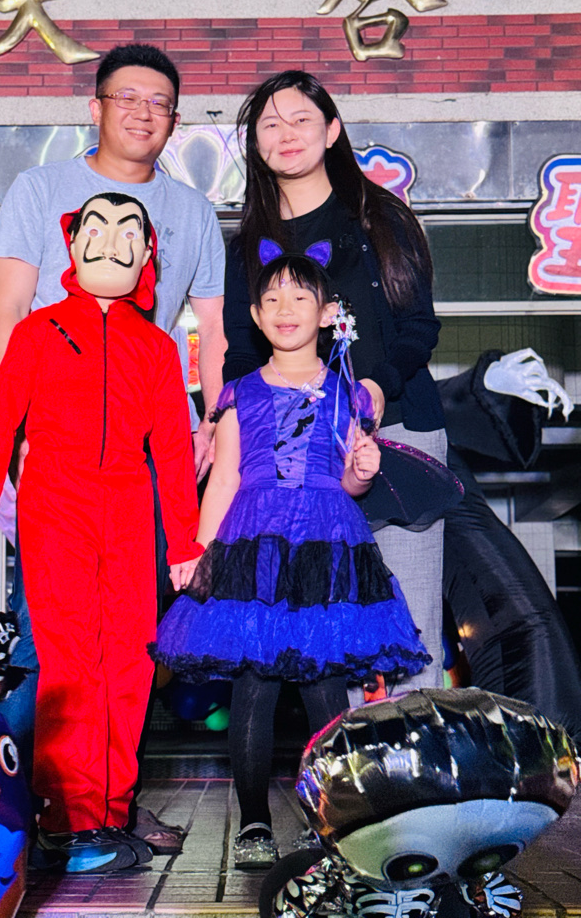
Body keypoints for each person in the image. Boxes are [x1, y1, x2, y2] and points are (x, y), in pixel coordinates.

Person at [0, 43, 226, 851]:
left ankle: (108, 805)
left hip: (142, 453)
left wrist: (209, 420)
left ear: (175, 120)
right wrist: (22, 433)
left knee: (130, 642)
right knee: (48, 640)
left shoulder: (192, 211)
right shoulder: (39, 190)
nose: (143, 113)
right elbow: (10, 313)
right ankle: (26, 808)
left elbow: (212, 331)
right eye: (128, 97)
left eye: (160, 102)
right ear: (95, 107)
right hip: (57, 453)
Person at [152, 249, 430, 871]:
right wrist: (196, 551)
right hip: (252, 548)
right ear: (255, 315)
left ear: (328, 313)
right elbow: (223, 480)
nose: (285, 309)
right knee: (253, 685)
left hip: (326, 547)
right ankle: (253, 822)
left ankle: (329, 822)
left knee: (324, 685)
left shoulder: (350, 394)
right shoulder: (240, 393)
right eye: (272, 298)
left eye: (301, 297)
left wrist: (363, 471)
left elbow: (350, 484)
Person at [0, 192, 203, 873]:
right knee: (68, 662)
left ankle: (110, 813)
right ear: (72, 243)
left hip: (129, 503)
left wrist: (184, 541)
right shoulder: (38, 332)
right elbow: (0, 424)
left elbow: (173, 450)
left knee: (130, 658)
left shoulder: (156, 347)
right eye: (96, 226)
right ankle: (66, 823)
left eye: (128, 231)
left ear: (147, 253)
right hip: (54, 501)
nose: (110, 240)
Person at [224, 70, 447, 695]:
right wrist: (230, 434)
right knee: (329, 631)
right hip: (301, 460)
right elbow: (240, 357)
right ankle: (350, 760)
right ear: (256, 144)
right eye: (270, 124)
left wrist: (377, 385)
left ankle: (418, 759)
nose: (287, 134)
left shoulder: (381, 219)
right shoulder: (246, 246)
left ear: (332, 130)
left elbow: (420, 327)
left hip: (398, 432)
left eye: (302, 119)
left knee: (411, 629)